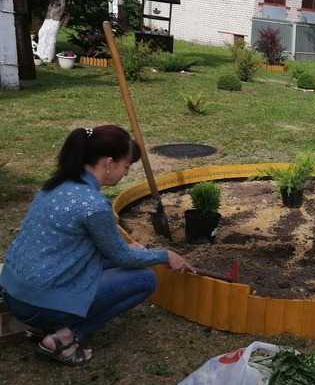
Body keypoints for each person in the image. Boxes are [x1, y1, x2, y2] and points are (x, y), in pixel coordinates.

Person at [0, 125, 194, 366]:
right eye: (126, 166)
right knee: (144, 280)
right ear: (109, 163)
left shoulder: (55, 185)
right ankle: (66, 338)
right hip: (39, 303)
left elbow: (99, 248)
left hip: (14, 294)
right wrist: (165, 255)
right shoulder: (92, 205)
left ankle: (46, 326)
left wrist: (129, 251)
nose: (126, 173)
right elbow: (123, 258)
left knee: (119, 262)